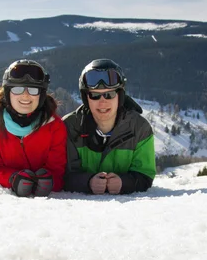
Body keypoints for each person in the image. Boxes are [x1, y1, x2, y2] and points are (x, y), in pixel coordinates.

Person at [62, 59, 156, 195]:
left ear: (120, 96)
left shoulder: (140, 129)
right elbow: (63, 174)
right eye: (94, 95)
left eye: (109, 94)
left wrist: (124, 183)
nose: (102, 102)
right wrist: (87, 182)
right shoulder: (70, 127)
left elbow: (145, 176)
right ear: (85, 98)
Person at [0, 59, 67, 197]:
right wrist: (11, 179)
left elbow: (58, 170)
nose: (25, 95)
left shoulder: (54, 126)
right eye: (17, 89)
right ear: (7, 92)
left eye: (33, 89)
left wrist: (50, 181)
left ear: (41, 95)